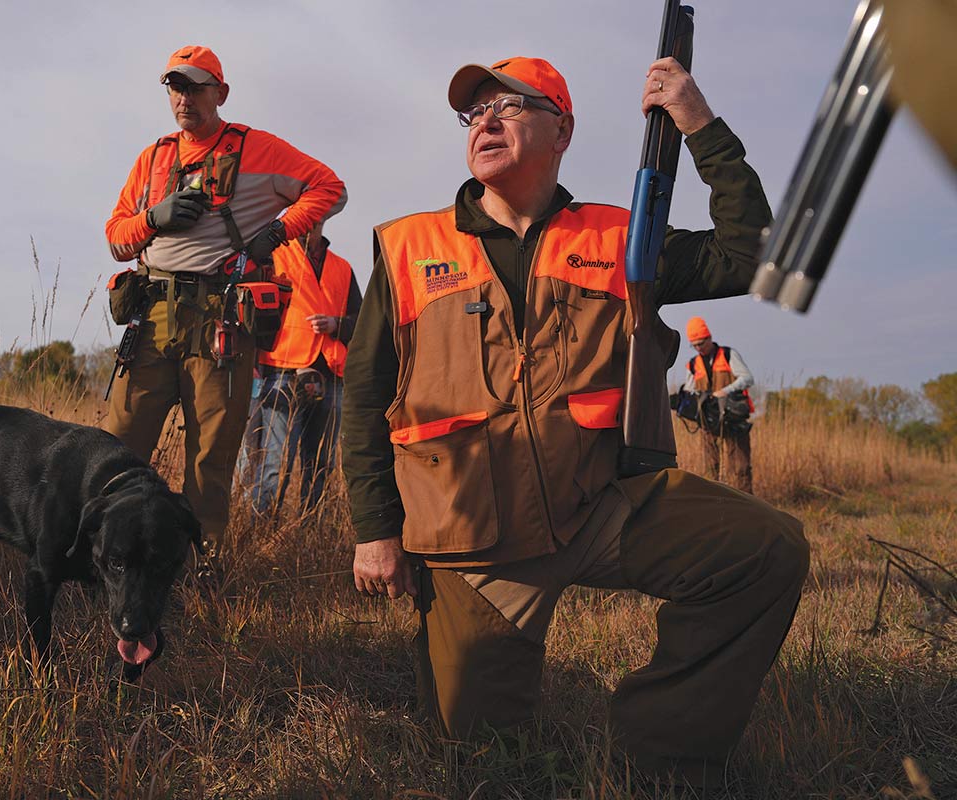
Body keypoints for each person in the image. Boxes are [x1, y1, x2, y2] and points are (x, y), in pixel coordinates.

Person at [341, 56, 810, 790]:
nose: (486, 121)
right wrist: (376, 531)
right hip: (474, 544)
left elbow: (752, 255)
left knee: (767, 550)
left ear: (561, 129)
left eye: (509, 105)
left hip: (602, 506)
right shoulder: (408, 249)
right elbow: (365, 397)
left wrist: (699, 123)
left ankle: (659, 751)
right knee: (484, 760)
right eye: (475, 112)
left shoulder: (624, 239)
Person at [103, 46, 346, 569]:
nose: (184, 98)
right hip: (153, 315)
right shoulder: (152, 157)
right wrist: (153, 218)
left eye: (195, 87)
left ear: (222, 93)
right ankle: (104, 561)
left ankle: (196, 569)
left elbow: (330, 188)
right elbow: (117, 239)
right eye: (175, 87)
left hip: (222, 321)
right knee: (116, 450)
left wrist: (278, 232)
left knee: (211, 458)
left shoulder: (258, 148)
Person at [236, 221, 361, 516]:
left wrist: (336, 324)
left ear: (323, 218)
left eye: (313, 219)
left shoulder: (342, 267)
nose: (307, 227)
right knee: (274, 464)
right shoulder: (273, 259)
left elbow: (362, 320)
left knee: (321, 464)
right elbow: (248, 311)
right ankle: (260, 531)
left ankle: (311, 532)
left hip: (331, 376)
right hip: (281, 372)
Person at [682, 316, 755, 493]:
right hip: (708, 421)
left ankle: (745, 506)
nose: (699, 348)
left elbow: (747, 378)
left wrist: (726, 390)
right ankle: (714, 503)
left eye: (701, 343)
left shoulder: (728, 354)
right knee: (711, 467)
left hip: (733, 417)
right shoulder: (693, 364)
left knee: (740, 466)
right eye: (695, 345)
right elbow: (689, 390)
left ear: (709, 337)